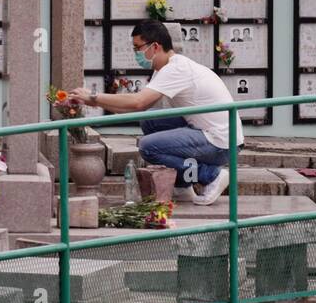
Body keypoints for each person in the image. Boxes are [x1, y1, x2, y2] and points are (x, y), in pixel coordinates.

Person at [70, 21, 240, 205]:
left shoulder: (176, 68)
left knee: (148, 147)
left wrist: (93, 97)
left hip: (222, 143)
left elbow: (138, 102)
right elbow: (140, 108)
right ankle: (183, 184)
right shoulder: (164, 69)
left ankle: (211, 176)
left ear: (155, 46)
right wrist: (93, 102)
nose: (136, 54)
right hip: (210, 133)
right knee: (150, 122)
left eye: (138, 48)